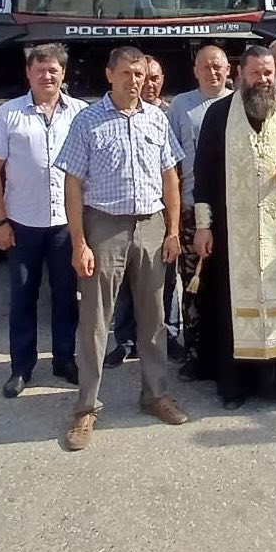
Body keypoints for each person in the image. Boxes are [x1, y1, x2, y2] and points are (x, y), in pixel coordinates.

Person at [55, 46, 189, 450]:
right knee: (96, 320)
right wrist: (79, 242)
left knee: (153, 318)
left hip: (151, 225)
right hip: (104, 226)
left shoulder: (157, 119)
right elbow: (73, 185)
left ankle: (156, 395)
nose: (136, 81)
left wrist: (172, 231)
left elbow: (171, 179)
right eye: (128, 73)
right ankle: (86, 408)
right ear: (109, 74)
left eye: (142, 74)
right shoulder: (87, 121)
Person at [192, 46, 276, 409]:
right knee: (231, 306)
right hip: (233, 233)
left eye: (269, 73)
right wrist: (203, 227)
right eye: (256, 73)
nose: (264, 80)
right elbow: (202, 174)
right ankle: (237, 386)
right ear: (241, 73)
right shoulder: (218, 114)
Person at [0, 44, 87, 398]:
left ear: (63, 73)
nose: (47, 75)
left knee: (66, 297)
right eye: (40, 69)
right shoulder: (9, 114)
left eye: (53, 69)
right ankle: (21, 367)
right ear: (28, 73)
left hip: (66, 224)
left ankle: (64, 360)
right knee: (23, 297)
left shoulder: (81, 114)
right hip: (22, 223)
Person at [106, 51, 183, 367]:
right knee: (124, 283)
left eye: (153, 78)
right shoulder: (113, 114)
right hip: (124, 212)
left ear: (162, 80)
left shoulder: (168, 115)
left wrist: (174, 223)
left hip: (162, 209)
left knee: (162, 282)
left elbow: (174, 171)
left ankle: (168, 336)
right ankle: (124, 339)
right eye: (140, 76)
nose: (147, 83)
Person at [167, 44, 233, 381]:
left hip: (232, 209)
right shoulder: (181, 106)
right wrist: (175, 215)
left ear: (228, 69)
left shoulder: (238, 103)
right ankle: (194, 353)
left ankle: (227, 352)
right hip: (193, 207)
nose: (212, 72)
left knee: (228, 283)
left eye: (218, 66)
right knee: (193, 282)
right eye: (205, 66)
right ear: (195, 70)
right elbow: (172, 166)